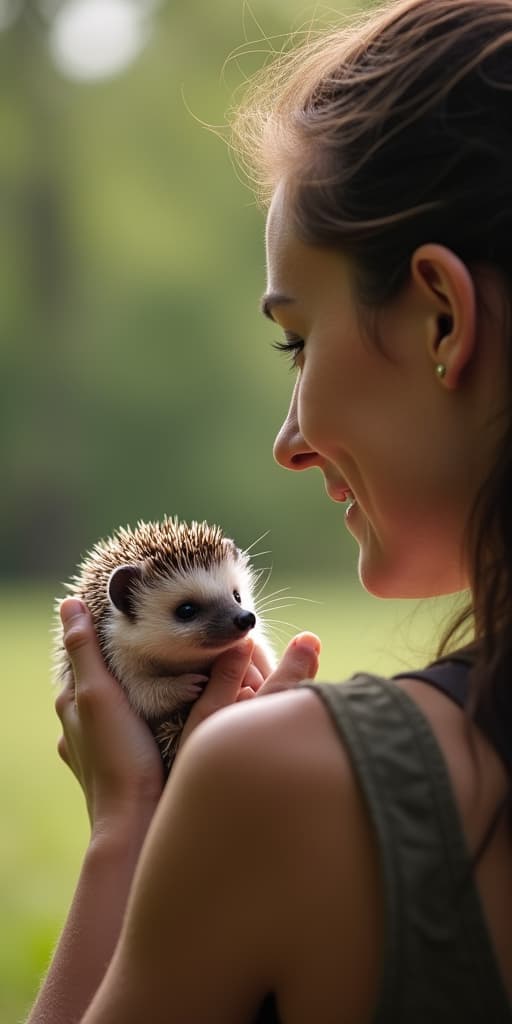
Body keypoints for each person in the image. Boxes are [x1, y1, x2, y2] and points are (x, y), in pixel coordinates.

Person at [27, 0, 512, 1020]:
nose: (286, 442)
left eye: (295, 341)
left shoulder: (286, 785)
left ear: (441, 314)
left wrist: (130, 822)